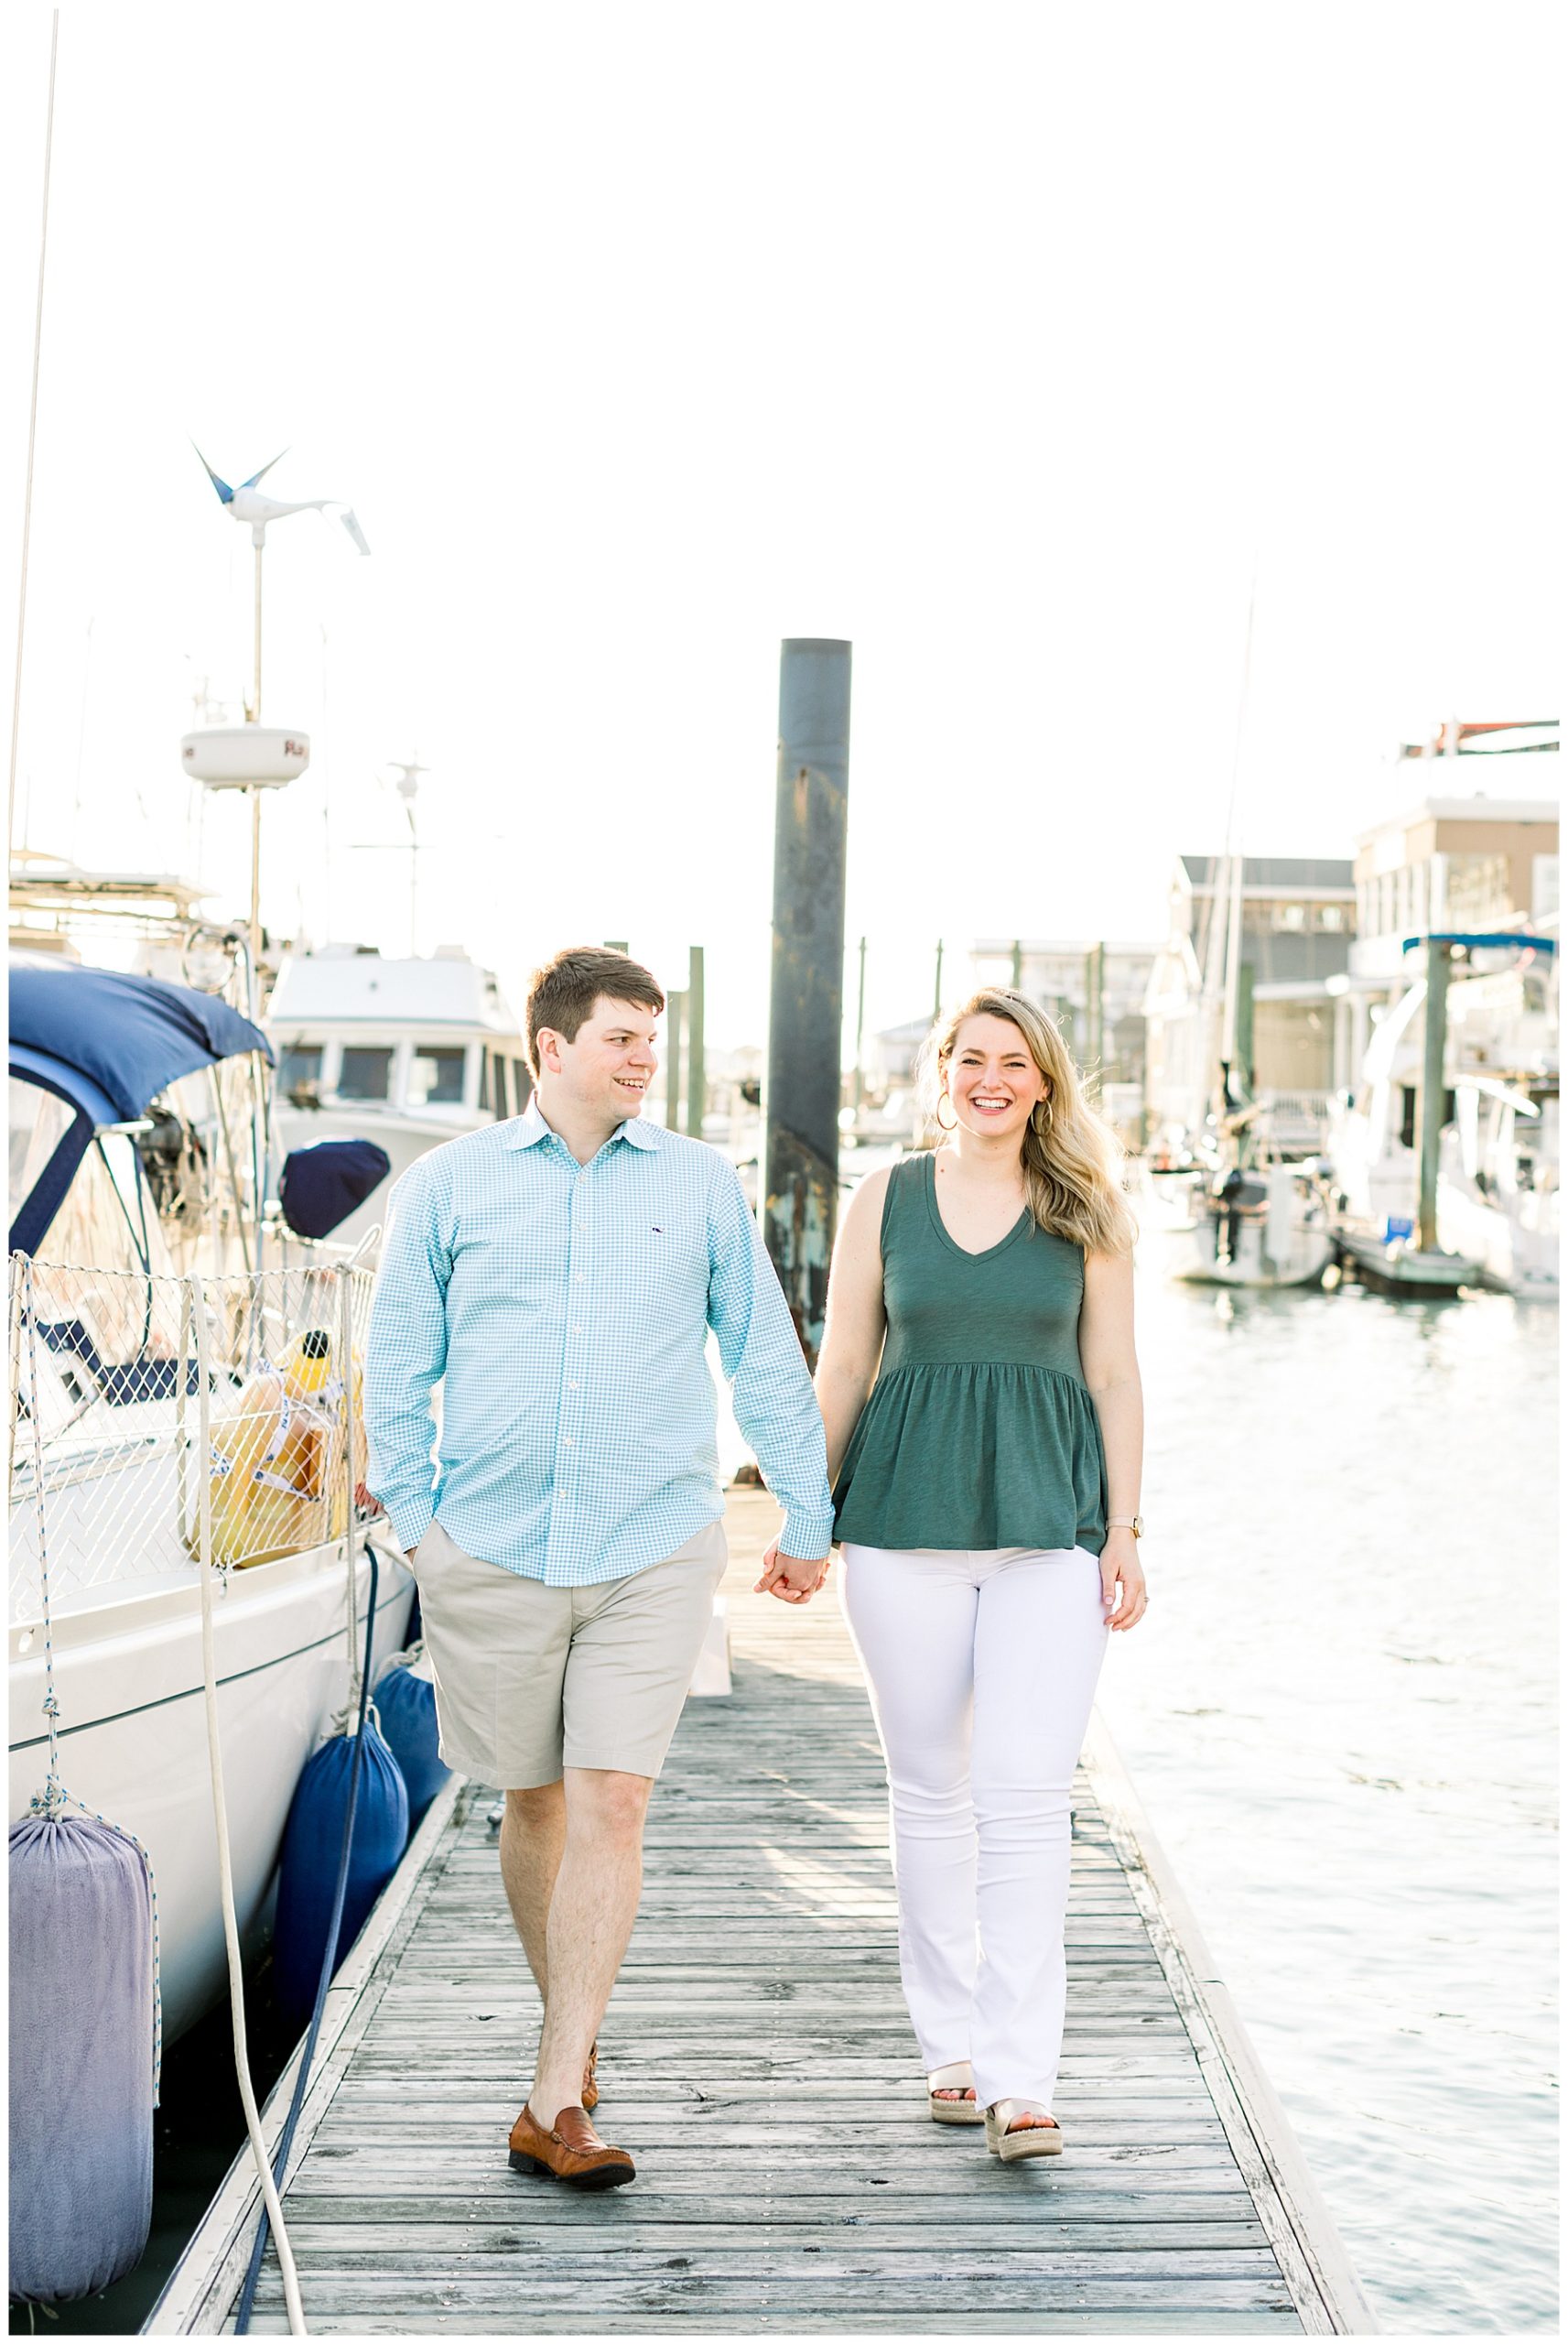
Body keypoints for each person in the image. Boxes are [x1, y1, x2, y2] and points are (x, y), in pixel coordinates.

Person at [364, 946, 833, 2191]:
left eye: (651, 1037)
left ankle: (555, 2097)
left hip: (650, 1544)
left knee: (613, 1800)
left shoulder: (698, 1183)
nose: (643, 1058)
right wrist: (418, 1524)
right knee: (536, 1805)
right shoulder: (449, 1187)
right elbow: (395, 1364)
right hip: (492, 1547)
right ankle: (570, 2038)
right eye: (622, 1036)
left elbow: (762, 1351)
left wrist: (807, 1509)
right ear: (552, 1047)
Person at [789, 985, 1147, 2162]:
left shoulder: (1088, 1205)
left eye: (1016, 1062)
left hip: (1052, 1527)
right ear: (943, 1069)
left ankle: (1021, 2078)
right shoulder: (885, 1197)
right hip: (901, 1525)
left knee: (1028, 1793)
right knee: (930, 1790)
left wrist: (1126, 1529)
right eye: (973, 1058)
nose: (993, 1079)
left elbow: (1115, 1376)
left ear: (1044, 1083)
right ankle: (949, 2047)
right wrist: (804, 1515)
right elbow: (846, 1363)